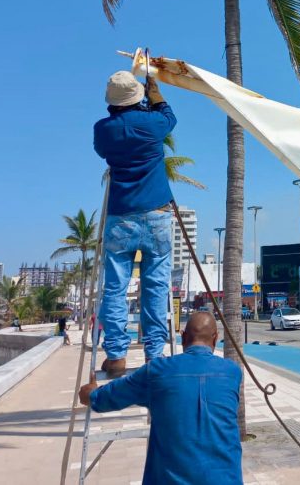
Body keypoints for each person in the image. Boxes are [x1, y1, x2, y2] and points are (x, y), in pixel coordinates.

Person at [79, 312, 242, 484]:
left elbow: (106, 398)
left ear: (184, 336)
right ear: (215, 339)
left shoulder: (157, 372)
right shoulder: (232, 372)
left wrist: (90, 394)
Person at [94, 71, 177, 377]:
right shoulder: (153, 124)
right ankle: (154, 354)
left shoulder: (103, 129)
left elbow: (103, 152)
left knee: (115, 288)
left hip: (121, 217)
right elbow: (169, 117)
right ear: (137, 96)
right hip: (157, 216)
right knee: (155, 287)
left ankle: (116, 355)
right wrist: (155, 93)